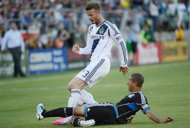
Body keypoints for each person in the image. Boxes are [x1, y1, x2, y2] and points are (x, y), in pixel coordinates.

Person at [53, 2, 129, 125]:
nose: (89, 18)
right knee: (71, 86)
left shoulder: (110, 26)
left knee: (75, 86)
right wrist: (80, 50)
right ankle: (97, 108)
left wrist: (123, 63)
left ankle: (68, 116)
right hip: (94, 62)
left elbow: (121, 43)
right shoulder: (91, 28)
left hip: (102, 62)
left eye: (91, 15)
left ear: (98, 13)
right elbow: (89, 48)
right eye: (88, 15)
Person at [36, 73, 173, 127]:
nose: (127, 83)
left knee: (73, 110)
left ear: (136, 83)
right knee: (80, 113)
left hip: (110, 110)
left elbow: (148, 112)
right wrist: (129, 118)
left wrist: (160, 120)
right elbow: (134, 110)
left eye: (129, 81)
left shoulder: (141, 97)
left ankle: (43, 114)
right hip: (114, 119)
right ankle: (81, 123)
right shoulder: (137, 98)